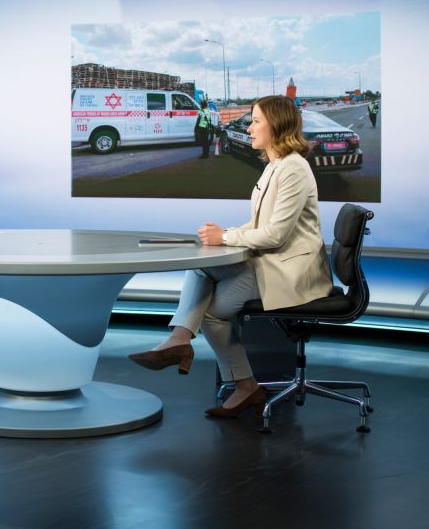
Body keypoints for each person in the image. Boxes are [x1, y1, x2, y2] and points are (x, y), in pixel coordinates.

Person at [126, 95, 331, 419]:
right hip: (273, 261)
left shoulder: (292, 168)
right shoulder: (276, 165)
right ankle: (180, 340)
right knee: (200, 266)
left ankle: (238, 380)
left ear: (276, 125)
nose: (249, 128)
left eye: (256, 121)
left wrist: (225, 238)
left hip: (290, 270)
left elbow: (276, 234)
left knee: (210, 311)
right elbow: (262, 224)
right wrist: (225, 237)